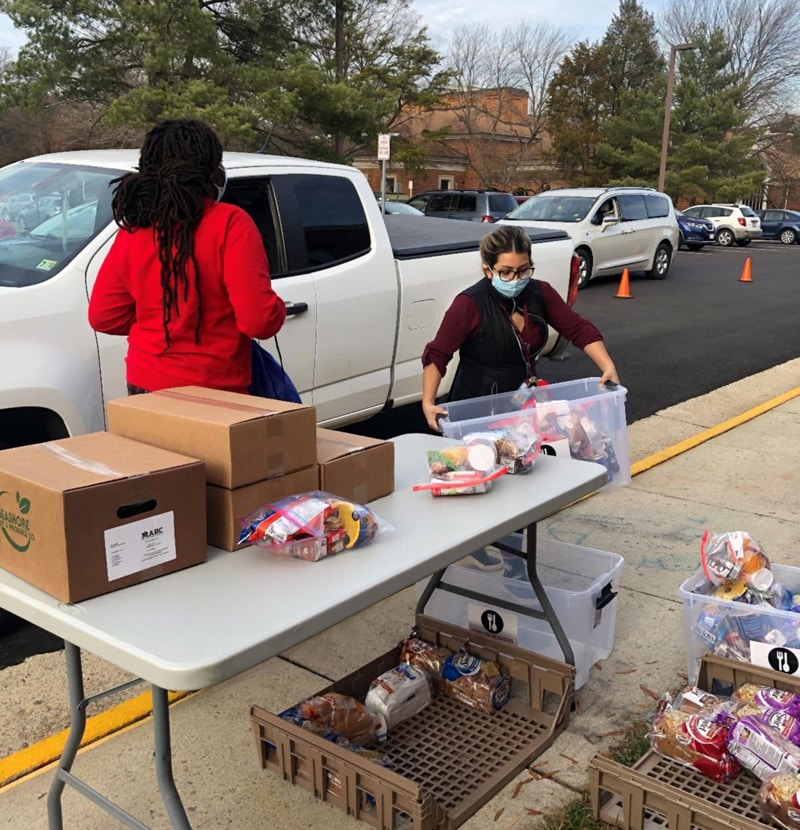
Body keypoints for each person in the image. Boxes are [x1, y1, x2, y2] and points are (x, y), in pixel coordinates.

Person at [88, 119, 286, 395]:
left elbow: (104, 317)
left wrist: (160, 322)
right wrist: (277, 307)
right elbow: (259, 321)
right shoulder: (231, 223)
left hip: (144, 385)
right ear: (211, 173)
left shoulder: (134, 229)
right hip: (216, 387)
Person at [421, 224, 619, 430]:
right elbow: (438, 353)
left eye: (523, 270)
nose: (515, 279)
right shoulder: (469, 303)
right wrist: (428, 402)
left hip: (524, 405)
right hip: (478, 408)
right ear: (488, 271)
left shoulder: (540, 292)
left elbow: (578, 329)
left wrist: (607, 366)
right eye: (505, 273)